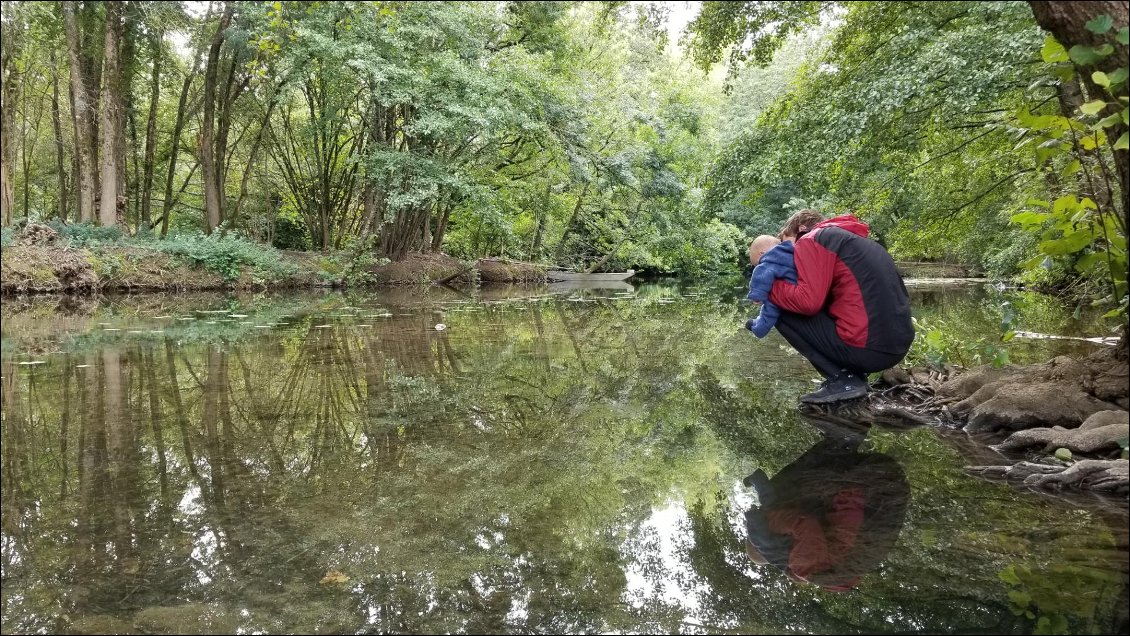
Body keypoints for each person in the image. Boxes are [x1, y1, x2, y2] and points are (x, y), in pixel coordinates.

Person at [762, 209, 914, 404]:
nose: (784, 255)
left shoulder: (809, 239)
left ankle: (844, 380)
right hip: (896, 348)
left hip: (869, 350)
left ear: (800, 229)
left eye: (784, 243)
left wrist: (770, 286)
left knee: (779, 305)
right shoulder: (853, 240)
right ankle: (853, 377)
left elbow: (808, 303)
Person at [742, 417, 910, 591]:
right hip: (876, 485)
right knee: (783, 493)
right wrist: (770, 516)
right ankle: (845, 435)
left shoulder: (823, 572)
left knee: (788, 498)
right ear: (765, 542)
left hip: (884, 493)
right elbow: (804, 523)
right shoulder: (803, 563)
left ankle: (845, 436)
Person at [744, 235, 796, 339]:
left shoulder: (769, 260)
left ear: (762, 254)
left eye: (757, 263)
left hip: (786, 292)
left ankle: (759, 329)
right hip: (798, 287)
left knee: (770, 309)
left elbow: (761, 277)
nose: (758, 265)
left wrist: (757, 296)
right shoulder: (791, 252)